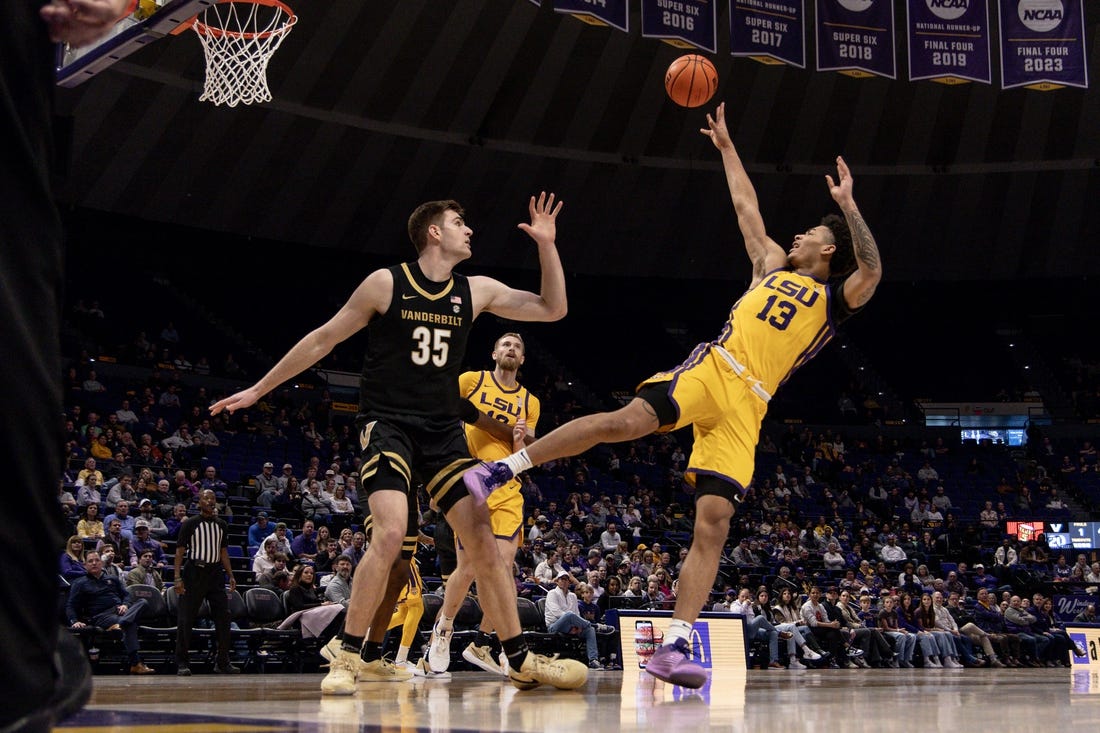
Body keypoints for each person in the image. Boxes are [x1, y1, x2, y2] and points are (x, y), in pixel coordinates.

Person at [464, 102, 882, 688]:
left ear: (828, 250)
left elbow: (874, 268)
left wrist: (847, 206)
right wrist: (727, 147)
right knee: (625, 421)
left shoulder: (837, 299)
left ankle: (673, 647)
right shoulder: (768, 265)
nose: (797, 234)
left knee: (714, 524)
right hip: (718, 365)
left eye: (809, 233)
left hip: (751, 404)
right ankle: (504, 468)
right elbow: (744, 206)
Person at [209, 193, 586, 695]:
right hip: (386, 425)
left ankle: (517, 658)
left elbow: (553, 308)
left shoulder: (476, 290)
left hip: (442, 432)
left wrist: (547, 246)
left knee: (482, 541)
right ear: (435, 233)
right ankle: (346, 655)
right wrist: (259, 389)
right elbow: (324, 339)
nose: (468, 231)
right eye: (459, 222)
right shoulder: (387, 283)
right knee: (390, 534)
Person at [426, 331, 540, 676]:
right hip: (470, 485)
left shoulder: (529, 402)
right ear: (494, 353)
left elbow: (529, 453)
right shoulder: (471, 381)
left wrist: (520, 441)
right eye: (505, 344)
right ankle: (443, 630)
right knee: (471, 568)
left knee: (503, 570)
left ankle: (484, 642)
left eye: (517, 347)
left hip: (507, 488)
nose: (511, 349)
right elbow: (440, 413)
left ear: (522, 360)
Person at [173, 489, 239, 676]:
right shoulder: (190, 523)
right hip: (194, 572)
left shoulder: (222, 524)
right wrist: (177, 577)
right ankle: (182, 662)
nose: (210, 501)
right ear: (198, 502)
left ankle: (223, 661)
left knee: (224, 617)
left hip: (215, 573)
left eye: (213, 498)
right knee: (186, 618)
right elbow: (179, 552)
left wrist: (231, 575)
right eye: (206, 498)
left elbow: (223, 552)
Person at [66, 550, 155, 676]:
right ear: (85, 565)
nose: (94, 563)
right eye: (90, 561)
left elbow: (127, 596)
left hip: (121, 612)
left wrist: (125, 605)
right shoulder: (80, 583)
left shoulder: (112, 579)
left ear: (101, 563)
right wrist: (74, 621)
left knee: (143, 602)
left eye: (97, 560)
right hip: (101, 616)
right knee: (130, 624)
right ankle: (136, 664)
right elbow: (70, 605)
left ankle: (122, 624)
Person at [543, 571, 606, 670]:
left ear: (569, 582)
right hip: (554, 626)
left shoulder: (572, 596)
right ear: (557, 581)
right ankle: (596, 625)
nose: (564, 581)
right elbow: (557, 614)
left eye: (566, 579)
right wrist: (573, 623)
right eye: (561, 579)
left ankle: (593, 660)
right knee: (569, 615)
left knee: (590, 630)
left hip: (572, 627)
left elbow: (577, 614)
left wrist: (576, 626)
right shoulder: (552, 593)